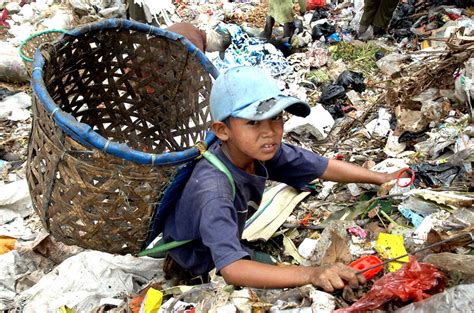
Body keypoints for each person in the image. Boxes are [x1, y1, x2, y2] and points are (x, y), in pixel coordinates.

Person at [162, 66, 404, 291]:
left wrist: (382, 177)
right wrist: (312, 274)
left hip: (226, 243)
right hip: (199, 263)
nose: (270, 132)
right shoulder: (213, 189)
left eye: (276, 117)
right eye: (254, 122)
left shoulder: (259, 150)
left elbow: (322, 167)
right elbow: (233, 269)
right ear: (222, 131)